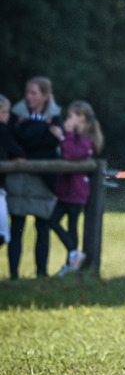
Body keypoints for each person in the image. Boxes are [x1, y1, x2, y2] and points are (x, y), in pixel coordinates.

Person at [7, 77, 62, 279]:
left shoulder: (55, 117)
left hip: (42, 183)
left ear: (45, 96)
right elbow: (13, 140)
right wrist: (43, 133)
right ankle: (13, 274)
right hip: (19, 183)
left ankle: (41, 274)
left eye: (34, 93)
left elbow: (50, 144)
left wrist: (29, 138)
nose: (28, 97)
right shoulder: (16, 115)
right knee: (17, 230)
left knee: (43, 229)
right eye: (27, 92)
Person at [49, 101, 104, 276]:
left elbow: (71, 155)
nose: (68, 120)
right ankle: (73, 255)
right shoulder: (76, 137)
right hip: (66, 190)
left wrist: (64, 136)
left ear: (82, 118)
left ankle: (72, 257)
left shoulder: (86, 139)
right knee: (55, 221)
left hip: (76, 191)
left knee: (67, 224)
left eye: (71, 116)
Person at [0, 94, 27, 251]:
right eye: (4, 113)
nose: (7, 116)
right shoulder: (2, 131)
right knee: (3, 234)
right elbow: (18, 152)